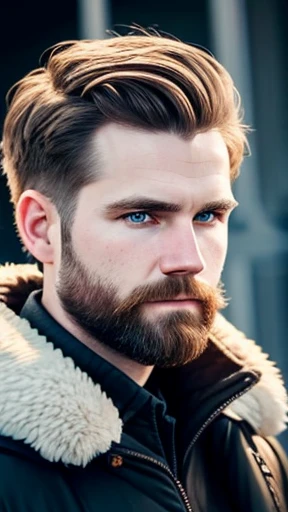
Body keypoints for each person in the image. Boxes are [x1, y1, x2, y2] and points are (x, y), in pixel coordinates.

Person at [0, 26, 287, 512]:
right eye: (141, 216)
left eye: (207, 215)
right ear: (41, 229)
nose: (189, 259)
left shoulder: (248, 441)